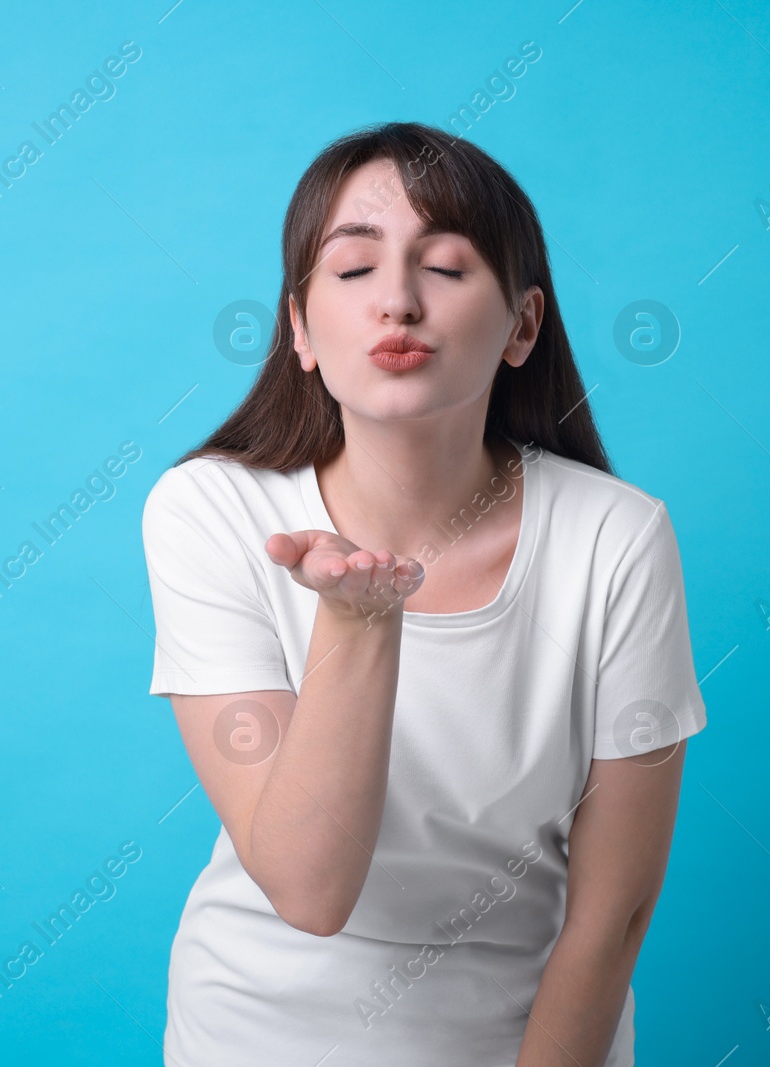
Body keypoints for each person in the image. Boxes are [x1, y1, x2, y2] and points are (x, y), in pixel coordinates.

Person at [141, 121, 706, 1067]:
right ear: (299, 329)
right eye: (353, 271)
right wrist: (358, 619)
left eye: (445, 268)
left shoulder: (617, 537)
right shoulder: (210, 508)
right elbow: (310, 888)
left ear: (524, 325)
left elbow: (614, 916)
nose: (397, 302)